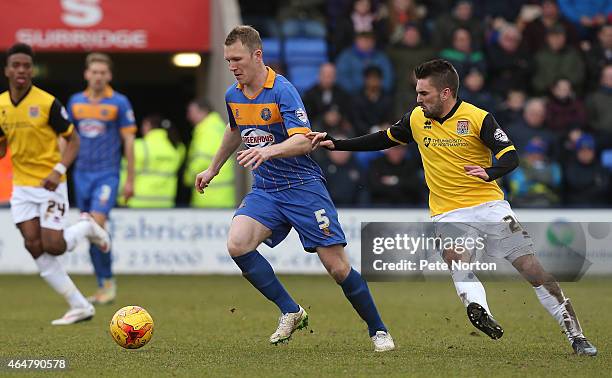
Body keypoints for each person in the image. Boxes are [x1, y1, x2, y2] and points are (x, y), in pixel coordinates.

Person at [308, 59, 597, 356]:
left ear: (446, 93)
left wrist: (490, 172)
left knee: (533, 269)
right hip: (449, 212)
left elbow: (510, 156)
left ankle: (577, 336)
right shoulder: (417, 118)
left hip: (490, 206)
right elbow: (382, 139)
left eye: (424, 94)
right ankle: (479, 310)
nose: (418, 100)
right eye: (417, 93)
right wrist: (338, 144)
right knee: (457, 259)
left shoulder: (478, 118)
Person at [194, 25, 394, 352]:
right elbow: (234, 130)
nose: (232, 66)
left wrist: (267, 150)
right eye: (228, 60)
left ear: (257, 55)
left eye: (237, 59)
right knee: (238, 244)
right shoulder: (233, 94)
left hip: (302, 186)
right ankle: (291, 310)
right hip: (267, 188)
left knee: (337, 267)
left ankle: (378, 330)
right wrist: (213, 168)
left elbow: (303, 141)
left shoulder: (282, 91)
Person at [0, 43, 110, 325]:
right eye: (17, 65)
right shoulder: (1, 105)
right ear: (7, 71)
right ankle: (79, 305)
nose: (22, 70)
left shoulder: (47, 103)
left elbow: (74, 140)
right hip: (22, 187)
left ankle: (86, 227)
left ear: (31, 69)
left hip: (51, 183)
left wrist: (58, 168)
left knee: (54, 245)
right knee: (33, 245)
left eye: (27, 65)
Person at [66, 52, 136, 305]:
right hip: (81, 174)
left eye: (102, 73)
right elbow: (66, 138)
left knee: (96, 223)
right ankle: (102, 285)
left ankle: (107, 282)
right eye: (93, 72)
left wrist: (130, 179)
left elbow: (129, 141)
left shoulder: (119, 102)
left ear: (109, 75)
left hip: (107, 173)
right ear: (87, 74)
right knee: (91, 230)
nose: (97, 76)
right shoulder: (75, 102)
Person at [120, 115, 185, 208]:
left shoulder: (137, 146)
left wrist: (121, 198)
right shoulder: (177, 148)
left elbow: (124, 173)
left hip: (137, 201)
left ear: (148, 126)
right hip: (166, 202)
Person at [184, 99, 235, 208]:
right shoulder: (217, 125)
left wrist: (188, 177)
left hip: (210, 196)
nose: (188, 117)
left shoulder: (207, 129)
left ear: (202, 112)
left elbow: (202, 158)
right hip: (221, 194)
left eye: (191, 112)